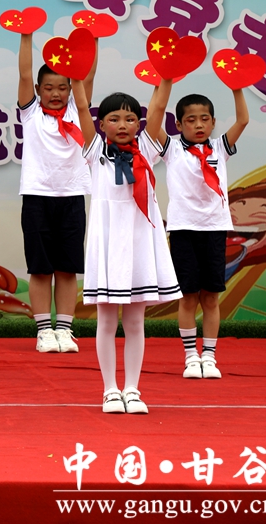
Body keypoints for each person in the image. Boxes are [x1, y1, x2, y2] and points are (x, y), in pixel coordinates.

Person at [72, 84, 181, 415]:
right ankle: (110, 390)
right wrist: (76, 80)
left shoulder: (146, 149)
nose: (122, 125)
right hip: (108, 242)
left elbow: (158, 108)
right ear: (101, 123)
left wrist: (166, 78)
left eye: (130, 119)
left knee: (135, 322)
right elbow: (81, 108)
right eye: (114, 119)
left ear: (139, 124)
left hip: (138, 241)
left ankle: (132, 389)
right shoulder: (95, 151)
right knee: (106, 322)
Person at [145, 80, 249, 380]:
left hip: (215, 230)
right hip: (183, 231)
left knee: (211, 297)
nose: (199, 125)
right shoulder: (172, 149)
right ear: (178, 124)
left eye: (205, 119)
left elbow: (243, 120)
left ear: (213, 122)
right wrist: (160, 85)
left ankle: (210, 357)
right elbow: (152, 121)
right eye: (191, 120)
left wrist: (237, 88)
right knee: (188, 296)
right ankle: (191, 356)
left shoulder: (220, 147)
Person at [16, 32, 96, 353]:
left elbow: (88, 75)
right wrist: (26, 34)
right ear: (38, 90)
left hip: (72, 199)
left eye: (63, 87)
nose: (56, 93)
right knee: (40, 269)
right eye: (48, 87)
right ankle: (43, 332)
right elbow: (24, 73)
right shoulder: (31, 113)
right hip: (36, 199)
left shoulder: (78, 111)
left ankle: (64, 329)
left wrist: (94, 41)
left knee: (67, 268)